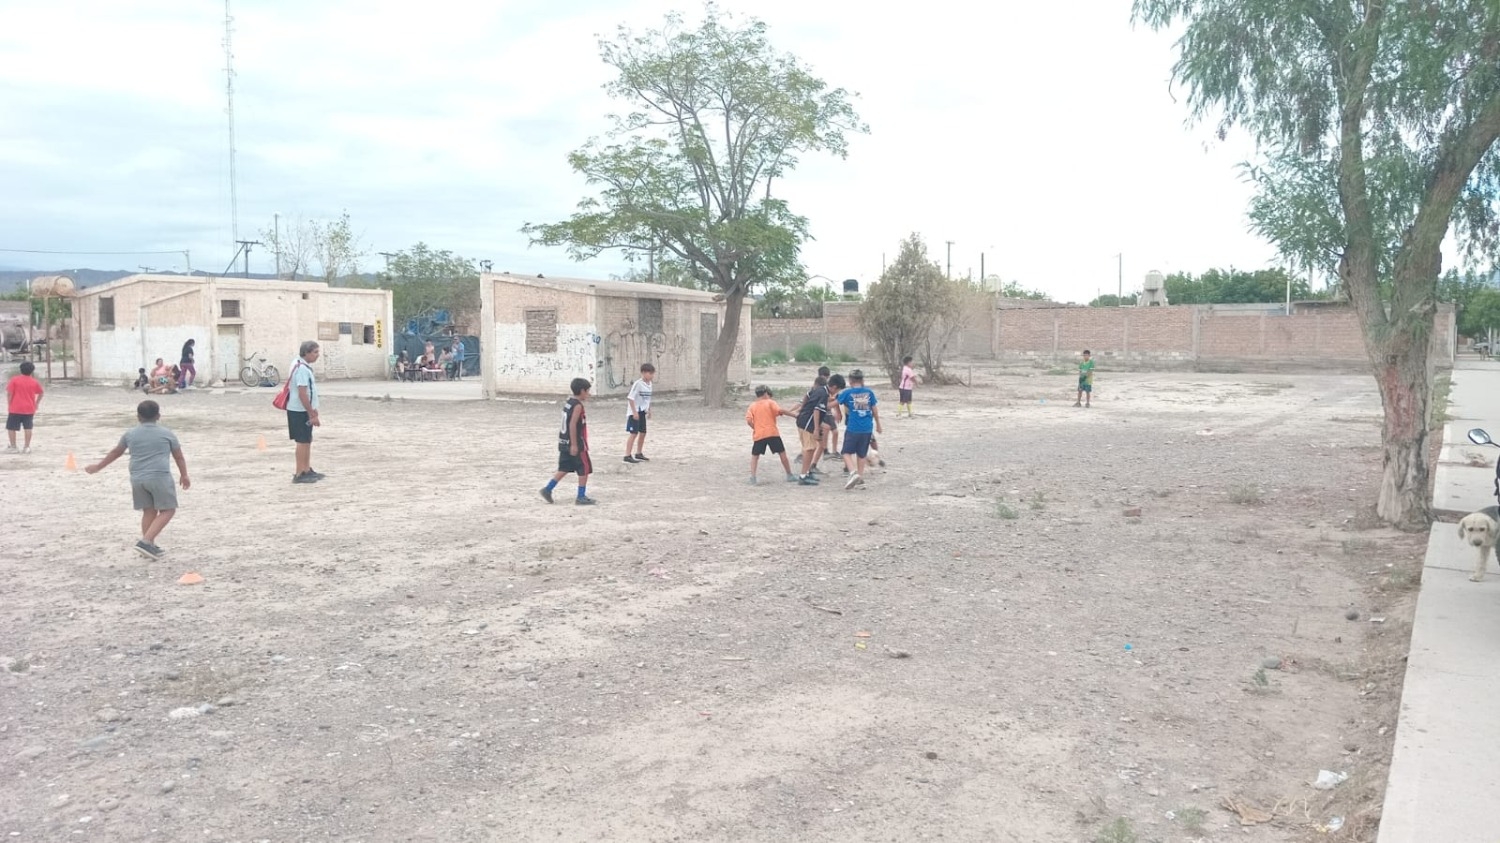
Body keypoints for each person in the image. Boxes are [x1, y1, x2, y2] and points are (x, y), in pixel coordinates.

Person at [84, 399, 190, 560]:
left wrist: (98, 466)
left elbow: (116, 452)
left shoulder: (130, 434)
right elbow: (179, 457)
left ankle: (149, 547)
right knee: (168, 510)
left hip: (137, 478)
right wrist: (184, 475)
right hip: (159, 477)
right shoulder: (167, 434)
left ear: (138, 417)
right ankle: (146, 542)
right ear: (158, 416)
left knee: (149, 510)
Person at [542, 377, 595, 505]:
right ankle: (581, 496)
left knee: (565, 467)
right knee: (584, 468)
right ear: (582, 391)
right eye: (587, 391)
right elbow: (572, 424)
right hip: (575, 442)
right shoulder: (578, 406)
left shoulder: (569, 402)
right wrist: (575, 444)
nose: (588, 394)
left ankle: (548, 489)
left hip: (564, 441)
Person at [837, 369, 882, 490]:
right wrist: (878, 424)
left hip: (853, 428)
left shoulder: (847, 393)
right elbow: (875, 410)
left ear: (850, 381)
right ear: (862, 380)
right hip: (867, 428)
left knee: (846, 453)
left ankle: (853, 473)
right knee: (861, 454)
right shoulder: (869, 392)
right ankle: (860, 480)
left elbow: (835, 402)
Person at [286, 340, 324, 484]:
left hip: (302, 409)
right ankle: (299, 472)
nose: (317, 355)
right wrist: (311, 413)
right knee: (302, 441)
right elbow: (303, 393)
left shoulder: (300, 365)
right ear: (306, 353)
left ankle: (306, 469)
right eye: (315, 352)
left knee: (307, 440)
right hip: (299, 410)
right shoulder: (301, 369)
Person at [745, 385, 799, 485]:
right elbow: (780, 411)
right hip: (772, 433)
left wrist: (756, 428)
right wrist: (794, 415)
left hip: (759, 434)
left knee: (755, 456)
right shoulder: (770, 402)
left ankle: (753, 477)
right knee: (782, 454)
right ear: (766, 393)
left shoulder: (752, 406)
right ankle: (789, 474)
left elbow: (748, 420)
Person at [794, 374, 831, 484]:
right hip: (807, 423)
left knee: (813, 447)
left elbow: (806, 398)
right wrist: (816, 428)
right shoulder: (820, 392)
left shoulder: (815, 391)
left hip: (807, 421)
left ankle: (807, 472)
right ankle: (803, 476)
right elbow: (815, 410)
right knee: (809, 448)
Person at [5, 361, 44, 454]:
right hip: (29, 408)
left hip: (15, 408)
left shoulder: (15, 380)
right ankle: (26, 447)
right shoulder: (34, 382)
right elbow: (41, 393)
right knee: (28, 427)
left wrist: (9, 403)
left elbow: (9, 393)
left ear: (20, 370)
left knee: (11, 428)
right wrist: (36, 403)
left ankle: (13, 446)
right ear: (32, 371)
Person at [623, 363, 655, 464]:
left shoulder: (650, 384)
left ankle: (639, 453)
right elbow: (631, 398)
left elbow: (647, 399)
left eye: (652, 373)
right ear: (643, 373)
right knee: (634, 433)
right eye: (649, 373)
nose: (651, 375)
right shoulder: (638, 384)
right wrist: (634, 412)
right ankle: (627, 455)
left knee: (643, 432)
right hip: (635, 412)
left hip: (642, 411)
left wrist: (649, 410)